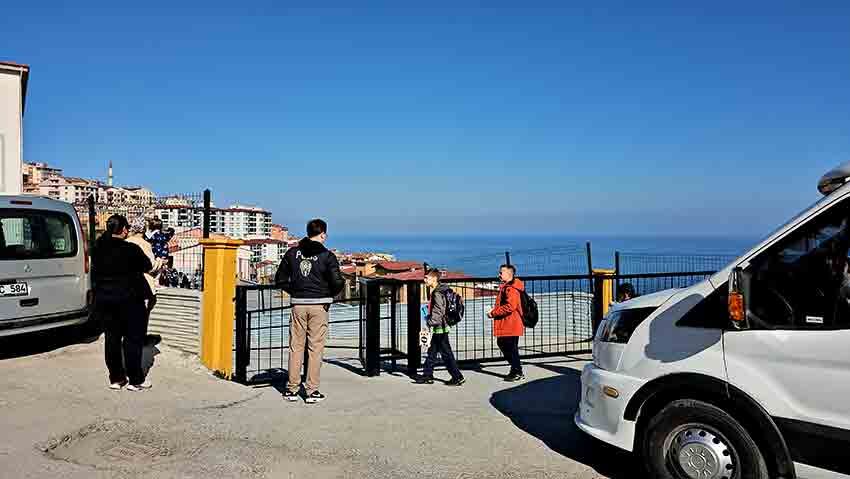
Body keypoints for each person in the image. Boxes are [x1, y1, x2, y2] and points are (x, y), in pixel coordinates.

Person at [275, 219, 345, 404]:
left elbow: (280, 279)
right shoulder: (327, 256)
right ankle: (311, 391)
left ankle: (291, 389)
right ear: (323, 234)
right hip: (319, 305)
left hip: (298, 305)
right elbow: (337, 282)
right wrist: (328, 295)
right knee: (315, 348)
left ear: (307, 233)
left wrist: (295, 291)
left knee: (296, 347)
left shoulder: (292, 253)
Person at [92, 214, 154, 391]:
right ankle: (135, 380)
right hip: (130, 300)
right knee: (132, 339)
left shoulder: (98, 249)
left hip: (105, 300)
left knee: (112, 339)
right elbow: (147, 266)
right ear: (124, 229)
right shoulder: (131, 249)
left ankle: (116, 378)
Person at [414, 269, 465, 386]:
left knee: (446, 354)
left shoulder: (437, 293)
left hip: (440, 327)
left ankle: (457, 377)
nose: (424, 280)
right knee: (432, 352)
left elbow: (438, 311)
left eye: (426, 278)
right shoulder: (443, 289)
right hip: (441, 326)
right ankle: (427, 375)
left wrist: (430, 322)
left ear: (434, 279)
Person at [488, 264, 525, 382]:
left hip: (511, 323)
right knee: (507, 346)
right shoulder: (509, 286)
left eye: (501, 272)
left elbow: (511, 306)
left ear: (509, 274)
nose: (499, 275)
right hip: (510, 323)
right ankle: (516, 369)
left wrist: (493, 313)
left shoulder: (511, 288)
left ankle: (517, 370)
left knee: (508, 346)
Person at [125, 217, 161, 316]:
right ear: (144, 229)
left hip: (126, 282)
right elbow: (151, 265)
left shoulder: (126, 242)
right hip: (144, 282)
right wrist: (159, 262)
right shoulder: (146, 245)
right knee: (148, 305)